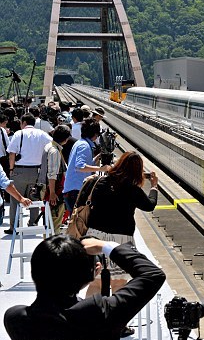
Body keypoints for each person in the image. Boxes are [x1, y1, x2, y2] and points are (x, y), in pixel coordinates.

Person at [3, 235, 166, 340]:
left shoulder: (16, 318)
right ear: (93, 273)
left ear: (35, 272)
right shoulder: (100, 313)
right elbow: (152, 274)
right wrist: (104, 245)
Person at [85, 151, 158, 295]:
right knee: (118, 282)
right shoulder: (132, 190)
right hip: (121, 240)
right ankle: (117, 316)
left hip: (95, 236)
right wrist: (154, 187)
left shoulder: (101, 182)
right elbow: (149, 206)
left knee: (96, 281)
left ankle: (90, 316)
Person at [5, 113, 52, 233]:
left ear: (24, 123)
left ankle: (14, 227)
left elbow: (12, 154)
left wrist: (11, 170)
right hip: (37, 171)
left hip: (19, 170)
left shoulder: (18, 134)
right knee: (34, 198)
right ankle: (33, 223)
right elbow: (51, 147)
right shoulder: (42, 134)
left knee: (15, 198)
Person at [62, 118, 110, 216]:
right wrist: (101, 169)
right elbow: (80, 167)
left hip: (74, 190)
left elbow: (86, 165)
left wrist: (98, 157)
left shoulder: (81, 143)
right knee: (79, 223)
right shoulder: (84, 146)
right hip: (76, 191)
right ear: (95, 134)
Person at [38, 125, 72, 233]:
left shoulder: (49, 146)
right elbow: (52, 174)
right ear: (66, 139)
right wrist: (52, 193)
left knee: (49, 222)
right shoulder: (54, 151)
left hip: (47, 188)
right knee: (54, 222)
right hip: (53, 191)